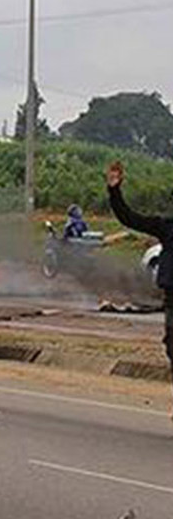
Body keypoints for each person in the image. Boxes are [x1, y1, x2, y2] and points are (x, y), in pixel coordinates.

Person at [106, 161, 172, 421]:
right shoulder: (167, 227)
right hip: (172, 300)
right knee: (172, 347)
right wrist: (114, 191)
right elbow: (130, 218)